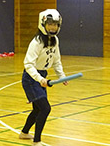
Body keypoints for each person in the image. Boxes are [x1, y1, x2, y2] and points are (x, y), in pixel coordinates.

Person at [19, 9, 68, 146]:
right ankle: (36, 141)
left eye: (56, 24)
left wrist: (61, 76)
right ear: (43, 23)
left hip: (42, 77)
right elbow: (28, 64)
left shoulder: (55, 40)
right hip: (31, 79)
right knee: (45, 108)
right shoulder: (36, 42)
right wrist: (39, 79)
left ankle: (24, 133)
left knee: (37, 109)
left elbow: (56, 60)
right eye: (50, 24)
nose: (53, 27)